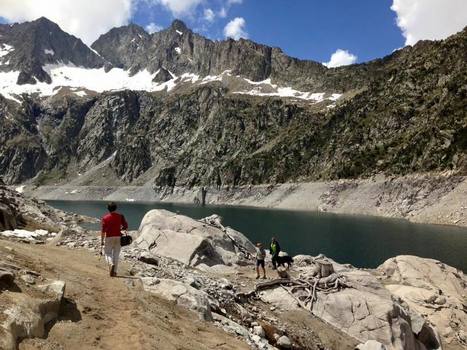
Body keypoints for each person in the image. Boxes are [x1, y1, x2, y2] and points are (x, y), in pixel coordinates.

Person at [101, 202, 128, 277]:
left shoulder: (105, 218)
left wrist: (102, 241)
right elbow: (125, 226)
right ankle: (115, 272)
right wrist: (121, 228)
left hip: (109, 237)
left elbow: (103, 231)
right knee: (116, 254)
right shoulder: (120, 216)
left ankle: (110, 263)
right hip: (118, 237)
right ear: (115, 208)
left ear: (108, 209)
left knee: (107, 253)